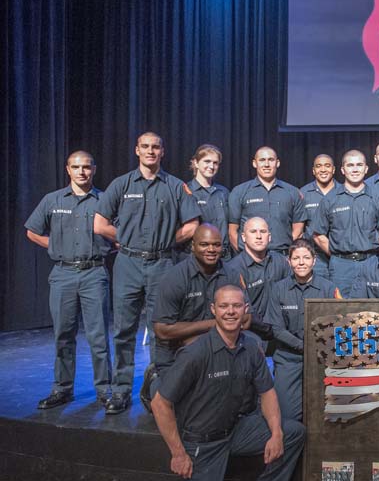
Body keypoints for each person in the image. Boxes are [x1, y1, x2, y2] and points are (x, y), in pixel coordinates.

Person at [107, 285, 304, 481]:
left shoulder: (251, 348)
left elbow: (267, 392)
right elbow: (160, 403)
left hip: (236, 430)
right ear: (214, 310)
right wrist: (178, 453)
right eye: (224, 306)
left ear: (246, 310)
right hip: (202, 445)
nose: (230, 312)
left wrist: (276, 433)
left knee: (293, 432)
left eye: (236, 306)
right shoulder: (196, 353)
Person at [94, 132, 200, 415]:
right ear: (137, 150)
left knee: (162, 331)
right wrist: (128, 239)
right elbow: (100, 224)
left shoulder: (176, 186)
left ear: (162, 152)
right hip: (127, 263)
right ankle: (121, 390)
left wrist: (165, 241)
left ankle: (159, 391)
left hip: (162, 263)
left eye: (155, 147)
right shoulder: (121, 184)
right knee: (123, 330)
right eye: (145, 147)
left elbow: (192, 226)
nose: (150, 151)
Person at [25, 150, 112, 408]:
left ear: (94, 169)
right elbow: (32, 230)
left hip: (94, 273)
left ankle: (105, 389)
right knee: (63, 334)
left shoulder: (106, 200)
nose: (82, 172)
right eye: (76, 167)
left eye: (86, 167)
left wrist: (108, 248)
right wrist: (54, 246)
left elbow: (120, 234)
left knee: (98, 335)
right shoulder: (52, 200)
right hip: (63, 274)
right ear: (68, 170)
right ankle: (62, 389)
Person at [141, 224, 247, 412]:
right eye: (204, 244)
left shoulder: (230, 274)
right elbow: (162, 330)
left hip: (216, 346)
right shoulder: (175, 277)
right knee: (182, 408)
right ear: (193, 246)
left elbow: (245, 318)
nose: (211, 250)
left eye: (216, 245)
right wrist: (215, 324)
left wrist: (203, 338)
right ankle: (155, 381)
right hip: (176, 353)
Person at [265, 239, 341, 421]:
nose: (301, 262)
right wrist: (303, 345)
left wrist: (316, 347)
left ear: (314, 261)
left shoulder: (328, 288)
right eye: (296, 258)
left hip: (321, 357)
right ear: (288, 261)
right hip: (288, 358)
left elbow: (336, 324)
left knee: (323, 413)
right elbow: (276, 328)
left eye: (306, 258)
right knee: (287, 415)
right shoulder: (278, 289)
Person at [313, 150, 379, 297]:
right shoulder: (330, 199)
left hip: (370, 262)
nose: (355, 169)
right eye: (350, 165)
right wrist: (337, 255)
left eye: (359, 165)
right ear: (343, 170)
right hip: (340, 266)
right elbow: (318, 235)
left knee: (374, 309)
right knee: (341, 311)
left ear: (366, 168)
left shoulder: (377, 198)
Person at [228, 146, 306, 254]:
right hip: (249, 258)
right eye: (262, 160)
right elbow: (232, 231)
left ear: (277, 163)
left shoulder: (292, 192)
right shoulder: (239, 192)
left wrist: (288, 254)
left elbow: (298, 229)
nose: (266, 164)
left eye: (271, 160)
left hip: (282, 257)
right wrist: (244, 256)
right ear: (255, 163)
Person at [225, 217, 290, 326]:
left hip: (282, 328)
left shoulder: (281, 261)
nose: (259, 236)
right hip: (252, 330)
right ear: (243, 237)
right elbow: (243, 312)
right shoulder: (234, 269)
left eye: (263, 232)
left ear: (269, 237)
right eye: (253, 232)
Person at [185, 144, 231, 260]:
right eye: (207, 161)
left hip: (224, 258)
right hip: (199, 258)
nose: (211, 166)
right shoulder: (186, 191)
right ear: (196, 163)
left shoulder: (224, 192)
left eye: (215, 163)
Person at [300, 154, 340, 279]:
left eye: (327, 166)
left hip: (340, 257)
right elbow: (298, 228)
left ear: (333, 169)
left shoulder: (343, 192)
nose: (323, 169)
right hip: (315, 257)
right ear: (313, 170)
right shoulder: (303, 194)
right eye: (319, 166)